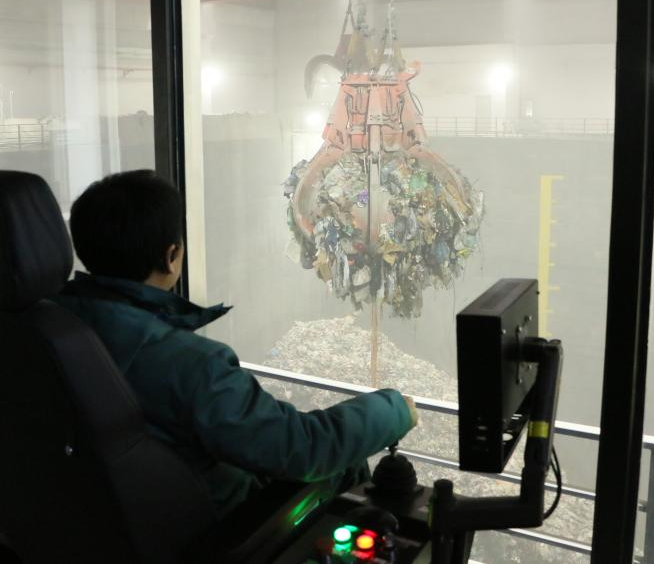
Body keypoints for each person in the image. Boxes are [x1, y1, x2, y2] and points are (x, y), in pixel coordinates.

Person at [54, 170, 418, 518]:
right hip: (217, 528)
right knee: (345, 465)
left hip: (109, 518)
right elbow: (301, 448)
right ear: (171, 257)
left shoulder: (53, 328)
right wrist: (393, 410)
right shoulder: (191, 365)